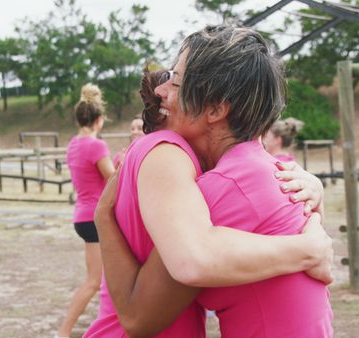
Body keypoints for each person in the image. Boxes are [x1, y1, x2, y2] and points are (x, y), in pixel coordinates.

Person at [85, 25, 332, 337]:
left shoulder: (226, 186)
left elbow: (141, 312)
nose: (161, 90)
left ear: (216, 109)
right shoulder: (263, 172)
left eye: (175, 81)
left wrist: (104, 218)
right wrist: (310, 246)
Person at [58, 83, 114, 338]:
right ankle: (63, 332)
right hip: (95, 218)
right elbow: (113, 180)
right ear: (99, 120)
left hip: (82, 215)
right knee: (95, 280)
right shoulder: (96, 146)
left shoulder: (73, 144)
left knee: (104, 280)